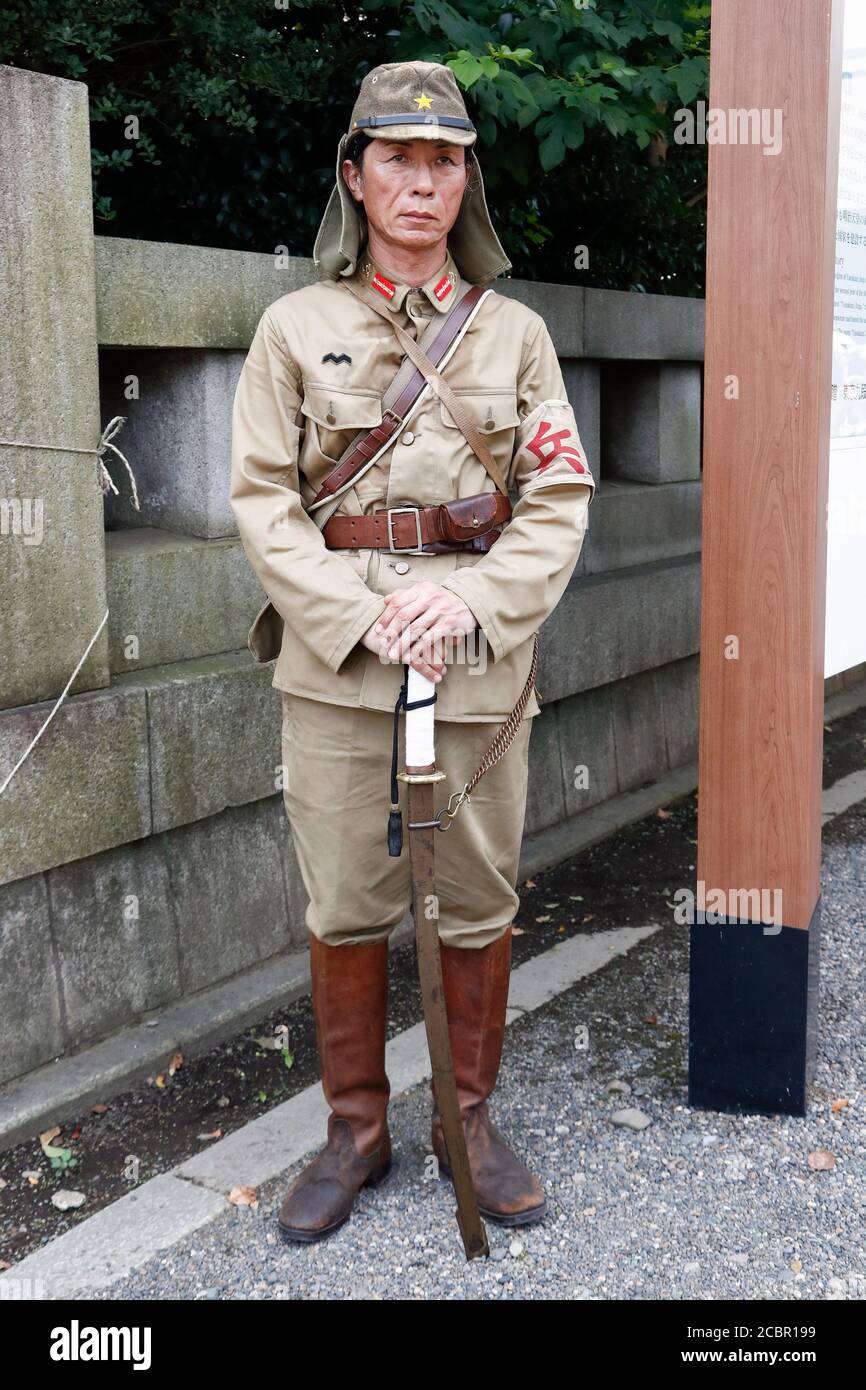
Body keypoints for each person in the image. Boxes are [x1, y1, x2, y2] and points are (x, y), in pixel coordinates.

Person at [230, 59, 595, 1244]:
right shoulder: (294, 328)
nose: (421, 182)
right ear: (355, 173)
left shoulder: (519, 335)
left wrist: (476, 602)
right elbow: (261, 499)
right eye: (397, 156)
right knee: (343, 898)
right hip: (338, 666)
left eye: (444, 161)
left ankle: (466, 1122)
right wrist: (353, 612)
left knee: (479, 893)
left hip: (477, 661)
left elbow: (558, 493)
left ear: (465, 182)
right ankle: (354, 1129)